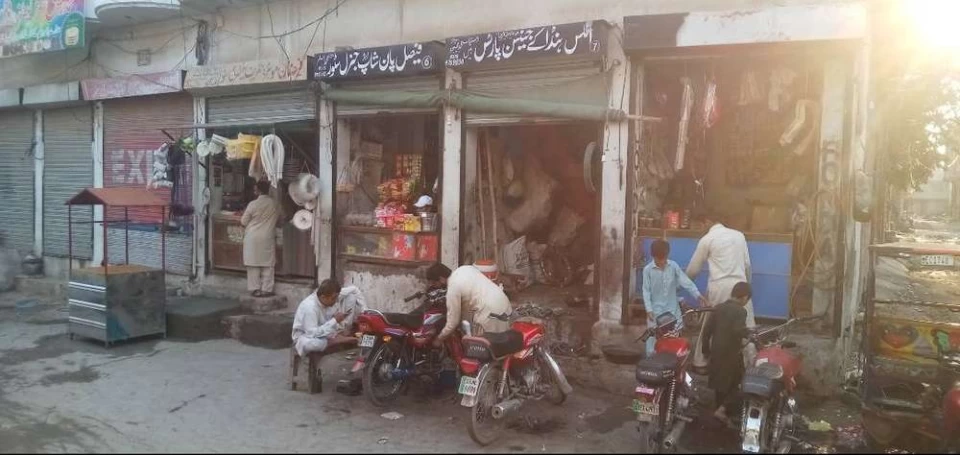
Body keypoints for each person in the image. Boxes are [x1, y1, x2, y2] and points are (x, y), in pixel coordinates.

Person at [686, 211, 756, 371]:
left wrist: (683, 284)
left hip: (718, 287)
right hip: (740, 287)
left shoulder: (707, 239)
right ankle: (751, 364)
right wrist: (747, 287)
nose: (701, 228)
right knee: (748, 326)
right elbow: (747, 265)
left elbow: (693, 270)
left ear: (707, 221)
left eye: (701, 225)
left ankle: (700, 362)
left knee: (709, 324)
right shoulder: (739, 236)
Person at [641, 239, 708, 355]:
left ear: (667, 255)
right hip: (655, 313)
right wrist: (649, 309)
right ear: (653, 256)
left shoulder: (673, 266)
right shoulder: (647, 270)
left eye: (664, 258)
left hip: (673, 312)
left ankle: (672, 362)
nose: (662, 262)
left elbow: (686, 282)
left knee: (674, 341)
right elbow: (646, 291)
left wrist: (697, 295)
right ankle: (651, 361)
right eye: (658, 259)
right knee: (652, 342)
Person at [701, 281, 753, 425]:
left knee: (720, 383)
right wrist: (749, 334)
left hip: (716, 352)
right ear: (744, 297)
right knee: (740, 381)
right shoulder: (741, 311)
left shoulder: (718, 308)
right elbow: (737, 330)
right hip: (732, 353)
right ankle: (723, 409)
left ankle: (719, 411)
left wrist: (705, 350)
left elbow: (707, 331)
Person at [433, 264, 513, 346]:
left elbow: (453, 323)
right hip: (504, 304)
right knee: (502, 344)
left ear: (441, 279)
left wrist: (439, 339)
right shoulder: (466, 268)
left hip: (489, 312)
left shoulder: (453, 288)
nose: (434, 286)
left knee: (482, 348)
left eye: (434, 283)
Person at [291, 279, 368, 357]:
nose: (336, 301)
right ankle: (335, 340)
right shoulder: (310, 308)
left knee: (351, 296)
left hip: (325, 331)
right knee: (312, 344)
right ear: (323, 297)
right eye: (334, 298)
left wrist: (366, 312)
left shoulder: (331, 294)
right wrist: (335, 320)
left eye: (337, 297)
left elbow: (354, 290)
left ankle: (338, 337)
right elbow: (312, 334)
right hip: (305, 336)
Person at [241, 181, 280, 298]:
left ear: (257, 190)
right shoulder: (275, 204)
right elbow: (282, 217)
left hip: (252, 237)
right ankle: (266, 289)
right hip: (267, 237)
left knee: (253, 264)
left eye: (255, 189)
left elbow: (243, 221)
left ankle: (255, 289)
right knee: (268, 264)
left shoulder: (253, 204)